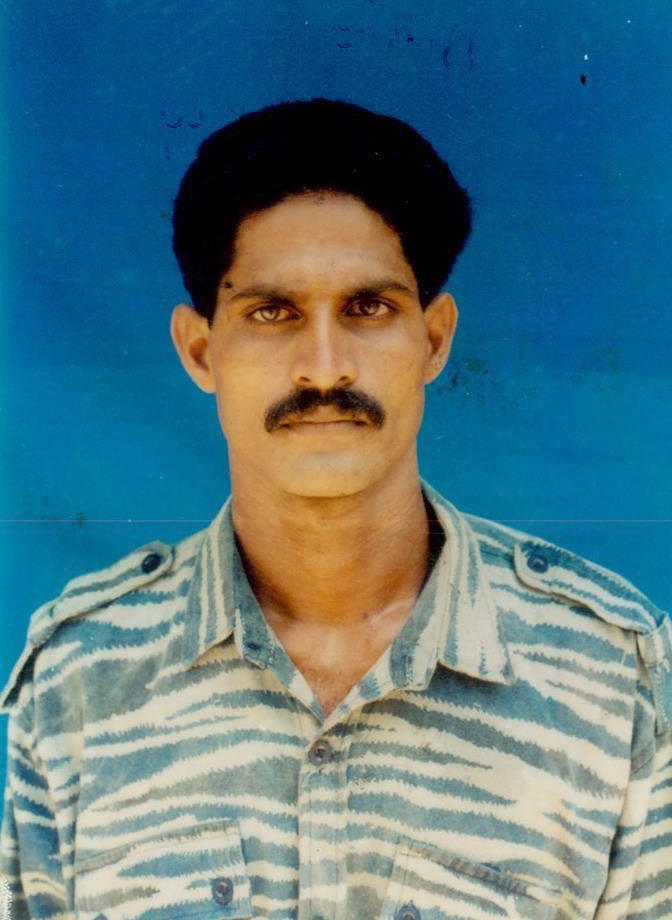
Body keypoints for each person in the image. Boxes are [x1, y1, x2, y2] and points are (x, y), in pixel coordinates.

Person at [1, 98, 670, 920]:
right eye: (271, 312)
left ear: (433, 340)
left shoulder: (610, 677)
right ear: (200, 350)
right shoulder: (82, 679)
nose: (324, 368)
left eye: (368, 308)